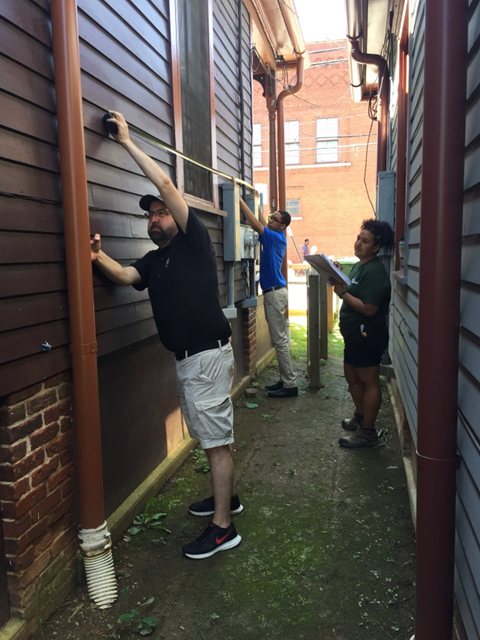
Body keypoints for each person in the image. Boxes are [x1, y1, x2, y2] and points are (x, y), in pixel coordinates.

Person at [90, 111, 242, 559]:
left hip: (206, 357)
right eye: (151, 216)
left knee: (214, 441)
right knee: (212, 436)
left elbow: (169, 187)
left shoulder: (194, 243)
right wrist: (95, 256)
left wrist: (128, 142)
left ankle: (223, 527)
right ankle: (225, 500)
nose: (156, 219)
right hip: (191, 360)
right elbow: (123, 275)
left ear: (176, 218)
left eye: (161, 213)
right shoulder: (155, 262)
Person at [333, 219, 394, 448]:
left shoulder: (376, 273)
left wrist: (342, 294)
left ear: (376, 247)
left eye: (365, 241)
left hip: (367, 334)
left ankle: (368, 433)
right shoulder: (361, 265)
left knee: (368, 382)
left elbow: (370, 309)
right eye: (359, 238)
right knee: (352, 377)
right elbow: (353, 287)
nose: (358, 243)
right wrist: (339, 276)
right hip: (354, 334)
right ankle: (360, 416)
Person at [239, 195, 298, 398]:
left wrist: (239, 200)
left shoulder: (274, 237)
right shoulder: (275, 235)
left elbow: (257, 225)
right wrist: (256, 203)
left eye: (275, 219)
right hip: (275, 293)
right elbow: (262, 222)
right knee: (280, 339)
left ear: (282, 226)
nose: (271, 220)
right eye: (271, 217)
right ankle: (285, 380)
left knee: (279, 341)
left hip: (275, 294)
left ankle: (290, 385)